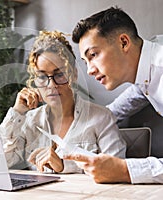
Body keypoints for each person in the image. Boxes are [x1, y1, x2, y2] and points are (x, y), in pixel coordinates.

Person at [0, 30, 126, 174]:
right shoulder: (28, 121)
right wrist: (17, 112)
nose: (51, 85)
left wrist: (64, 165)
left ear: (74, 74)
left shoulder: (102, 118)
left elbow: (116, 171)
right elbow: (2, 162)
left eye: (59, 74)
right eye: (42, 77)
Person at [64, 6, 163, 184]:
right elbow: (108, 114)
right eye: (85, 61)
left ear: (124, 42)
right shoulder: (144, 79)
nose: (89, 71)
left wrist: (125, 170)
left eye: (93, 55)